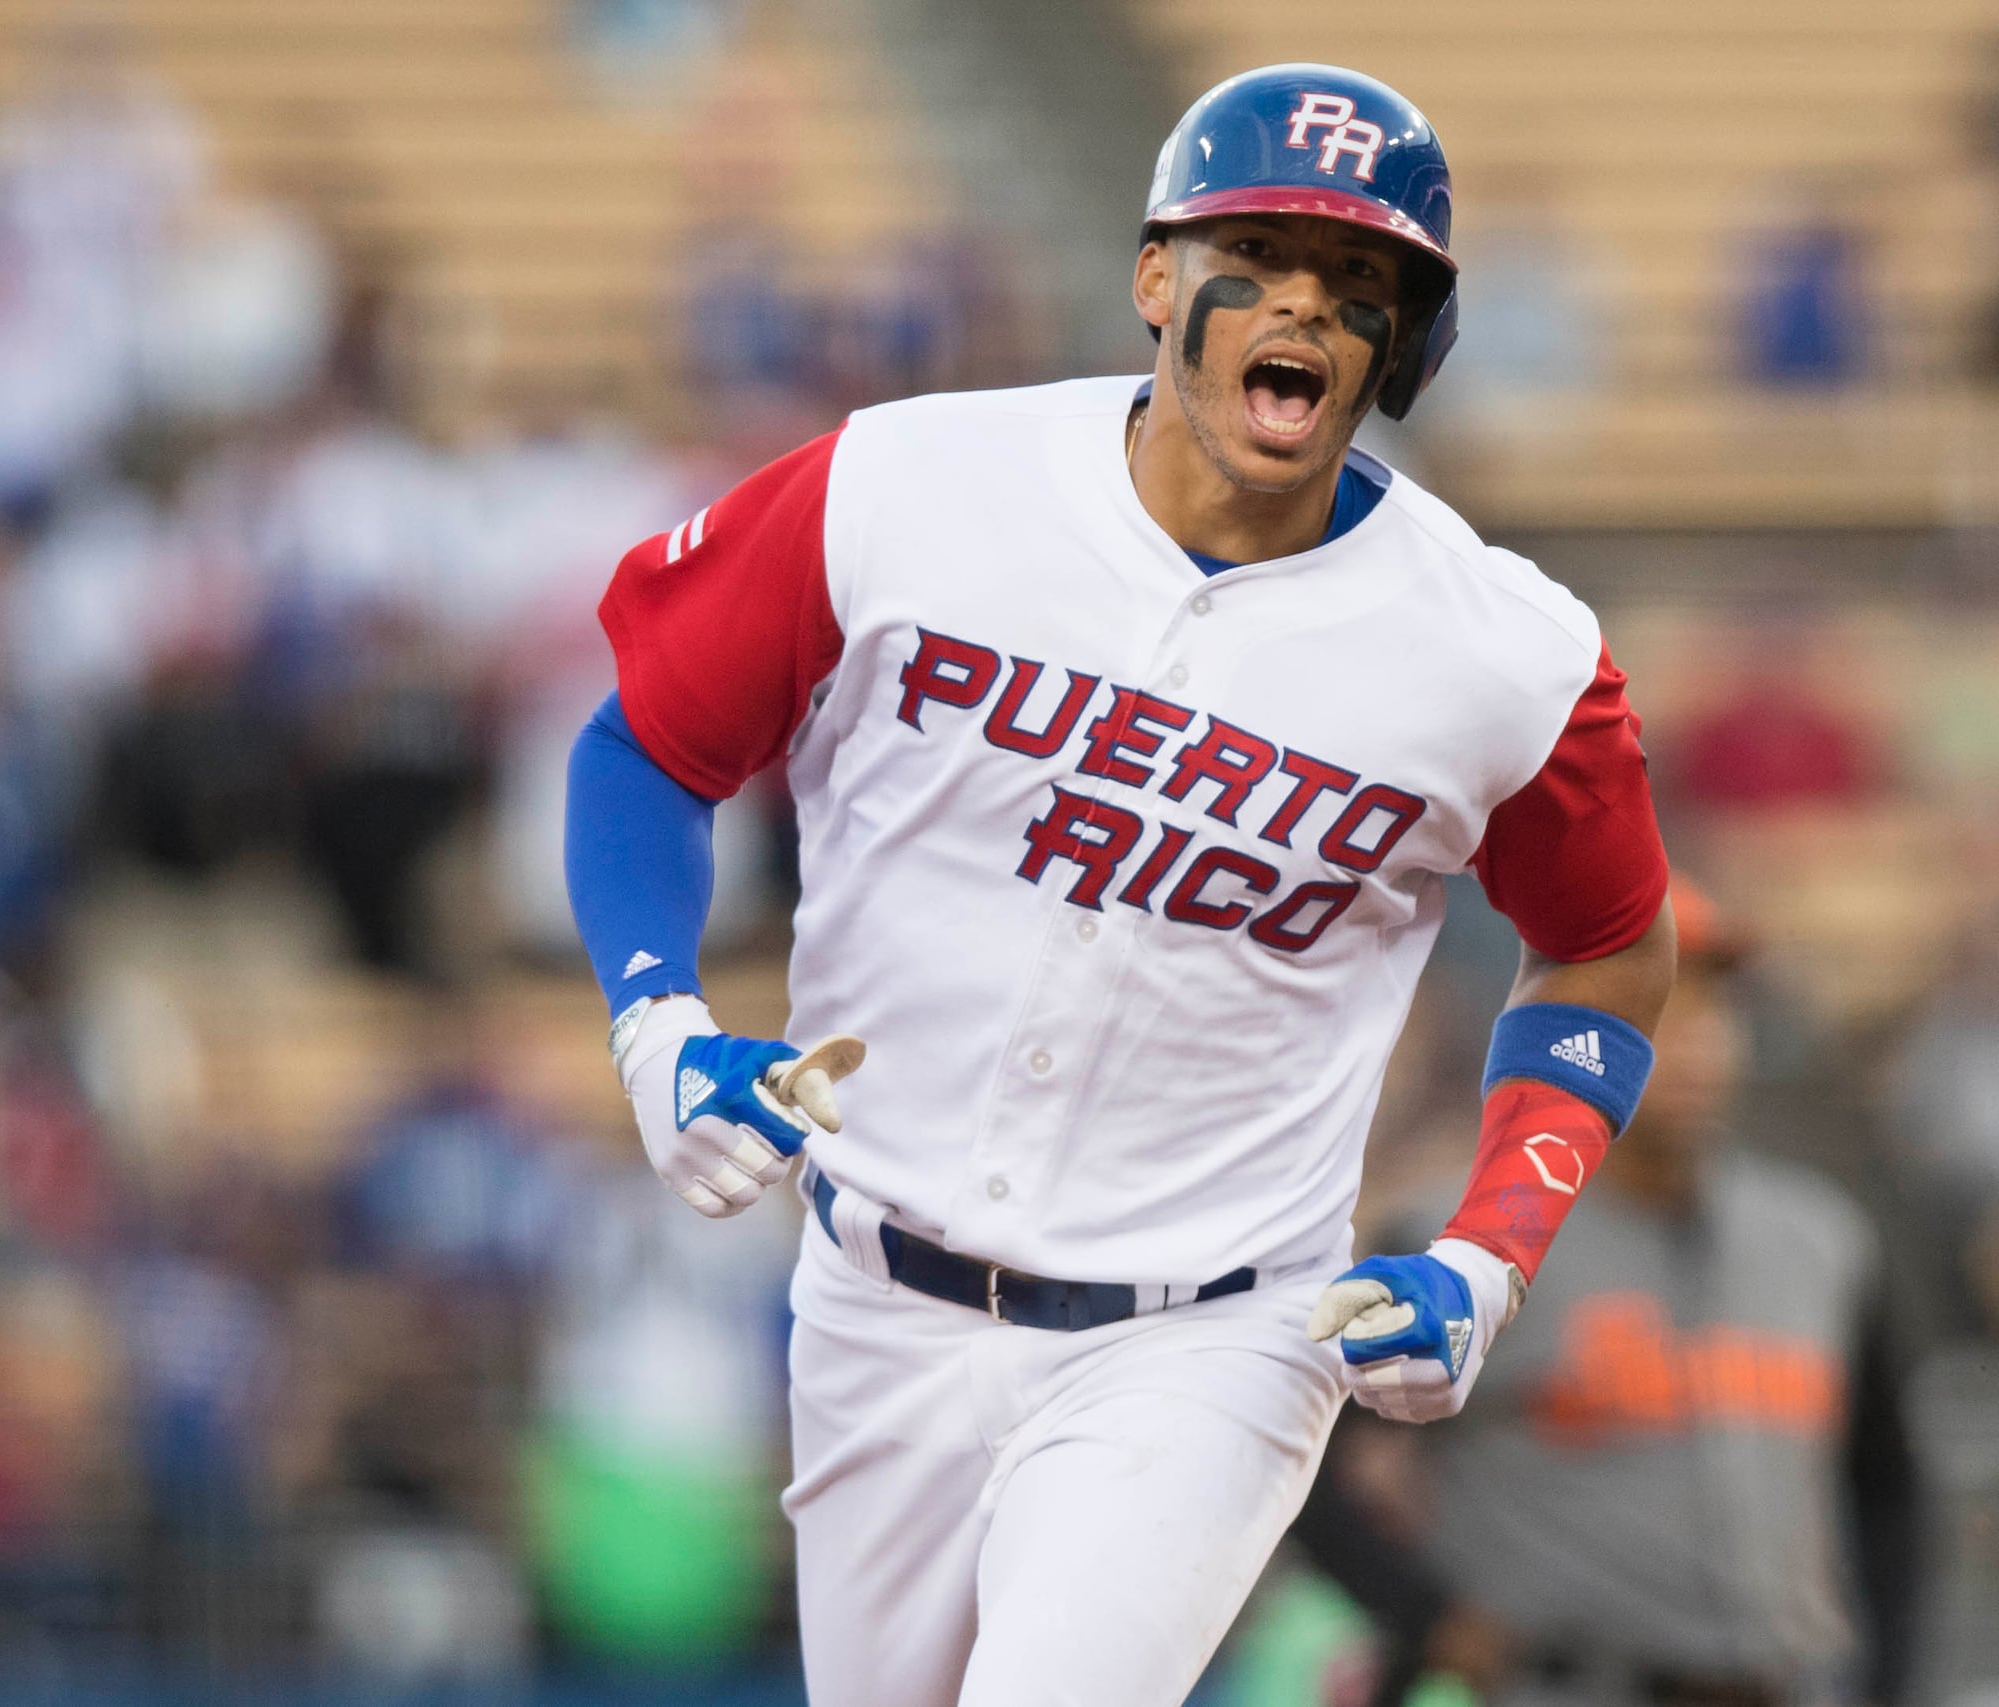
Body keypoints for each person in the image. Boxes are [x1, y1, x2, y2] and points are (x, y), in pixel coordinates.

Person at [560, 64, 1676, 1707]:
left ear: (1410, 341)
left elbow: (1608, 951)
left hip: (1212, 1332)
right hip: (873, 1296)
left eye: (1358, 276)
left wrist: (1490, 1251)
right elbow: (645, 742)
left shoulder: (1505, 652)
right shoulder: (905, 484)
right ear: (1158, 275)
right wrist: (655, 1022)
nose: (1304, 302)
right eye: (1259, 255)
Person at [1294, 876, 1923, 1707]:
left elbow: (1889, 1487)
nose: (1698, 1044)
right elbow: (1301, 1445)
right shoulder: (1460, 1241)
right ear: (1565, 1029)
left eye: (1715, 1011)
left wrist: (1887, 1680)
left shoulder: (1821, 1239)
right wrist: (1427, 1617)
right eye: (1662, 1012)